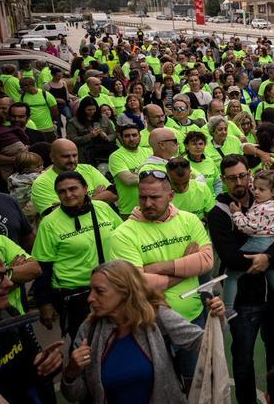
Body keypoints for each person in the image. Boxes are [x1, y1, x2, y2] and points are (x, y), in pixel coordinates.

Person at [208, 155, 274, 404]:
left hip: (272, 296)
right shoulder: (219, 213)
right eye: (232, 178)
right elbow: (230, 257)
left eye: (243, 175)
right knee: (242, 361)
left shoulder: (267, 200)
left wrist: (269, 257)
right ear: (223, 180)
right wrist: (267, 260)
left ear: (250, 176)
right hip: (245, 301)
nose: (239, 182)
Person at [60, 260, 226, 403]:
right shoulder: (89, 330)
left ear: (124, 292)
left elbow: (206, 342)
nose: (90, 298)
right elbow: (74, 395)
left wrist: (218, 318)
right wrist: (71, 372)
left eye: (99, 291)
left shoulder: (156, 316)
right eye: (91, 290)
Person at [106, 170, 215, 388]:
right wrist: (185, 265)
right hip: (148, 327)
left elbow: (207, 261)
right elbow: (136, 285)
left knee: (196, 384)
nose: (147, 203)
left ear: (170, 196)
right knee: (160, 389)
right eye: (142, 197)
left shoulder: (190, 220)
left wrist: (158, 268)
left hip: (191, 318)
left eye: (155, 197)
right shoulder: (123, 234)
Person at [32, 171, 122, 342]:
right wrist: (45, 302)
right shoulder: (50, 223)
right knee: (85, 345)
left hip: (113, 287)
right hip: (76, 297)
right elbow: (42, 266)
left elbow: (123, 237)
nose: (68, 195)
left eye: (73, 189)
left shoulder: (102, 208)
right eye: (62, 192)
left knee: (118, 338)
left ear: (86, 188)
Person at [225, 169, 274, 324]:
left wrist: (236, 213)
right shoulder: (273, 203)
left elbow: (247, 227)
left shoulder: (264, 208)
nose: (256, 192)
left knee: (231, 275)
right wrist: (250, 177)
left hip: (257, 243)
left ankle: (228, 308)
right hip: (272, 242)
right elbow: (255, 185)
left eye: (261, 189)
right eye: (255, 188)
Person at [0, 251, 64, 404]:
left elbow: (27, 376)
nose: (8, 283)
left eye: (5, 274)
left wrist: (46, 364)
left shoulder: (10, 314)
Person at [109, 124, 152, 216]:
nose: (131, 139)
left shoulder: (149, 152)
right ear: (120, 138)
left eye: (134, 135)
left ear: (140, 136)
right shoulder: (116, 156)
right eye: (127, 136)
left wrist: (137, 174)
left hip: (153, 207)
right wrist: (156, 175)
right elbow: (128, 180)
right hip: (129, 211)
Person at [67, 96, 116, 166]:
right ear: (83, 109)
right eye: (89, 110)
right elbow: (72, 140)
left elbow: (113, 134)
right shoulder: (73, 122)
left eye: (94, 109)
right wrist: (89, 136)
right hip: (86, 153)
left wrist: (106, 137)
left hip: (105, 150)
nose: (92, 112)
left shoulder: (103, 118)